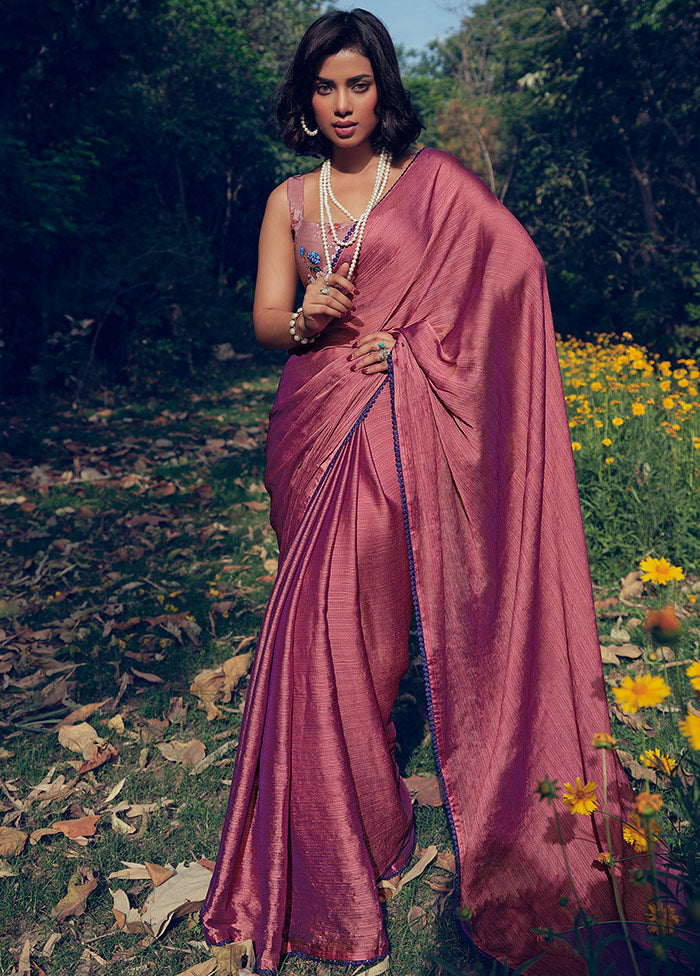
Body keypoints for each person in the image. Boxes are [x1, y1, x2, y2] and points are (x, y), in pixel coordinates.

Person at [200, 9, 664, 975]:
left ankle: (356, 828)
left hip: (394, 431)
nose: (340, 104)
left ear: (384, 91)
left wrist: (414, 347)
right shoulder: (290, 200)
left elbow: (516, 273)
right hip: (311, 426)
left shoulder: (436, 185)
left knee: (351, 631)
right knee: (336, 637)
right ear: (305, 97)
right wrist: (305, 321)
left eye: (357, 85)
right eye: (324, 88)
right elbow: (264, 318)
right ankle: (364, 829)